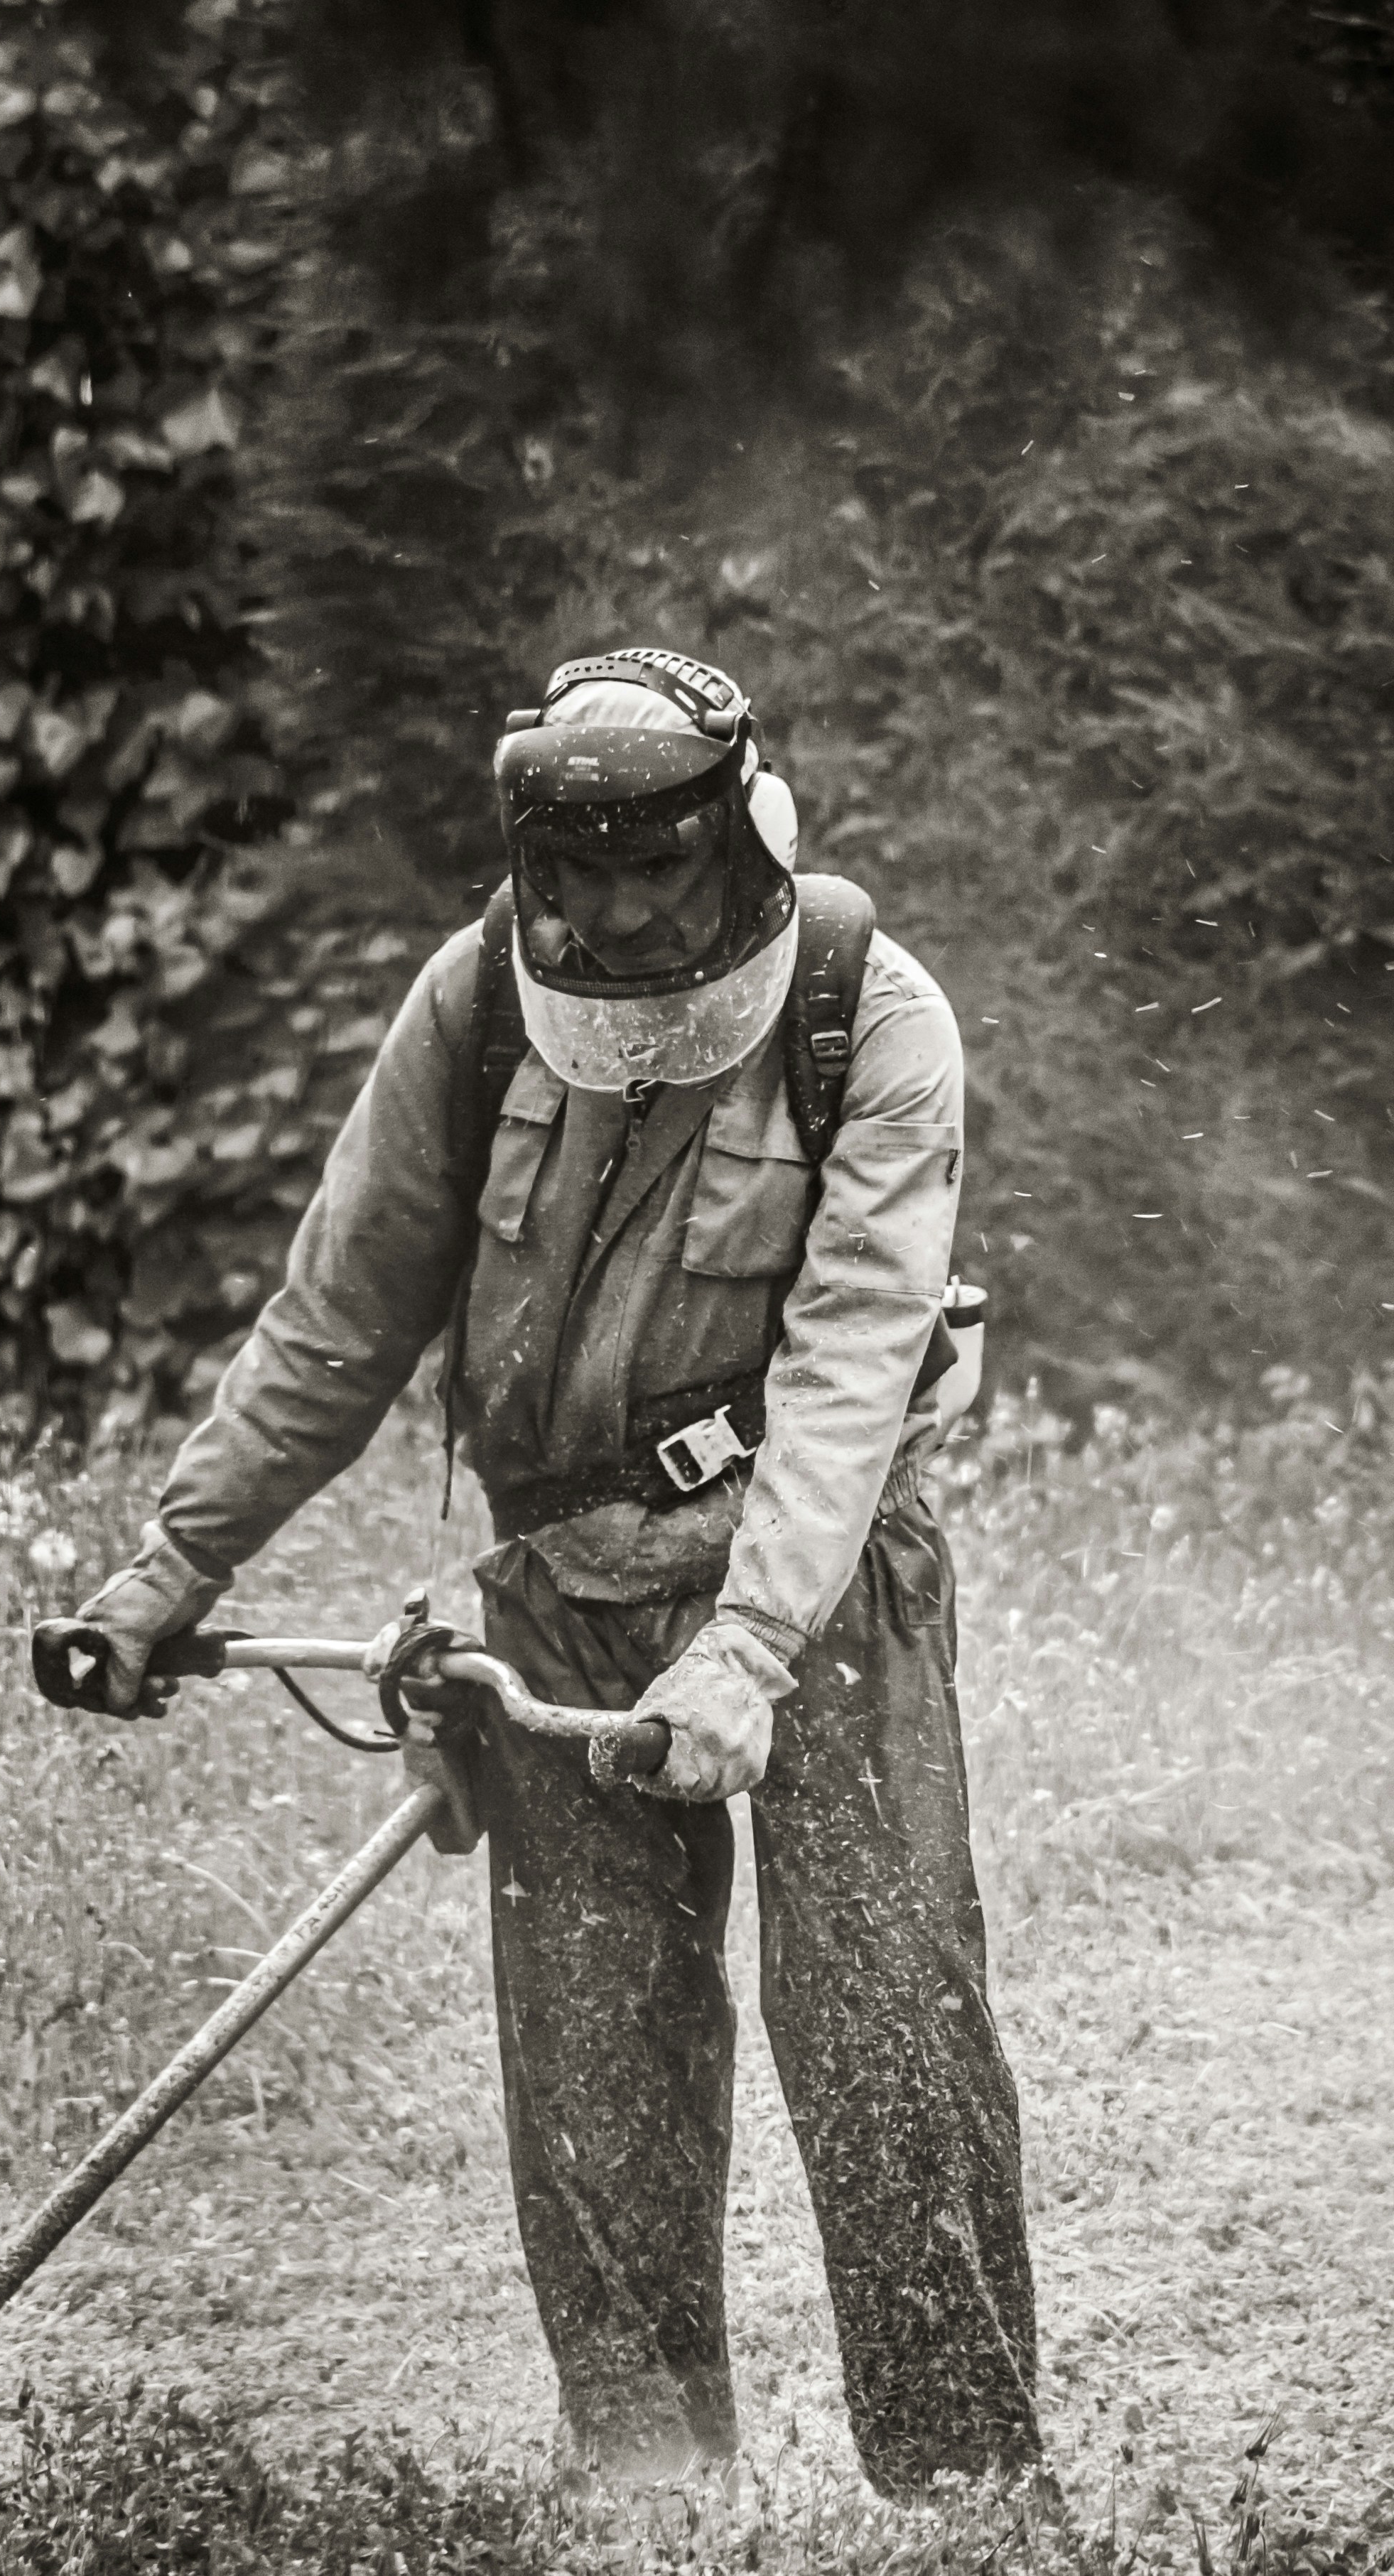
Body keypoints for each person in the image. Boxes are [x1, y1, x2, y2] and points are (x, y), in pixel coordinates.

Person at [72, 649, 1040, 2503]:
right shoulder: (477, 1007)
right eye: (576, 876)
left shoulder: (866, 1009)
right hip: (564, 1579)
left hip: (820, 1570)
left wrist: (748, 1646)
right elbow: (337, 1320)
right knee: (597, 2053)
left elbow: (853, 1361)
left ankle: (970, 2495)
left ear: (737, 835)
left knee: (885, 2015)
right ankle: (649, 2485)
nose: (619, 915)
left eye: (654, 872)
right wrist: (168, 1571)